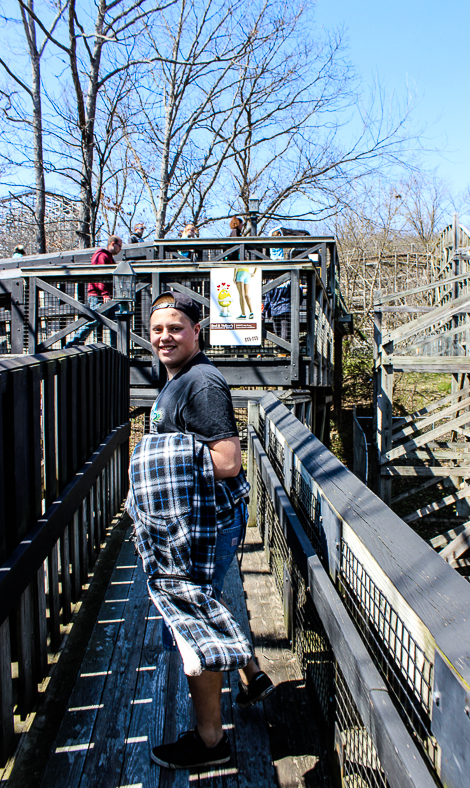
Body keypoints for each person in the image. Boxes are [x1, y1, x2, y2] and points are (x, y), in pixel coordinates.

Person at [131, 291, 275, 770]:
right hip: (199, 517)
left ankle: (211, 741)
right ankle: (252, 674)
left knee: (194, 623)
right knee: (219, 597)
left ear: (198, 331)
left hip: (205, 521)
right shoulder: (177, 378)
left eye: (175, 327)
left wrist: (155, 461)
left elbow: (229, 461)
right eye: (157, 329)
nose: (164, 337)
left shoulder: (202, 384)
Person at [67, 235, 122, 346]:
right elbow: (99, 275)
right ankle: (73, 344)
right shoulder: (101, 256)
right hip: (99, 296)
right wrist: (105, 294)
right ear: (113, 244)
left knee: (117, 321)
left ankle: (116, 349)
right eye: (120, 246)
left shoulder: (110, 257)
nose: (120, 249)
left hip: (108, 296)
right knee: (94, 320)